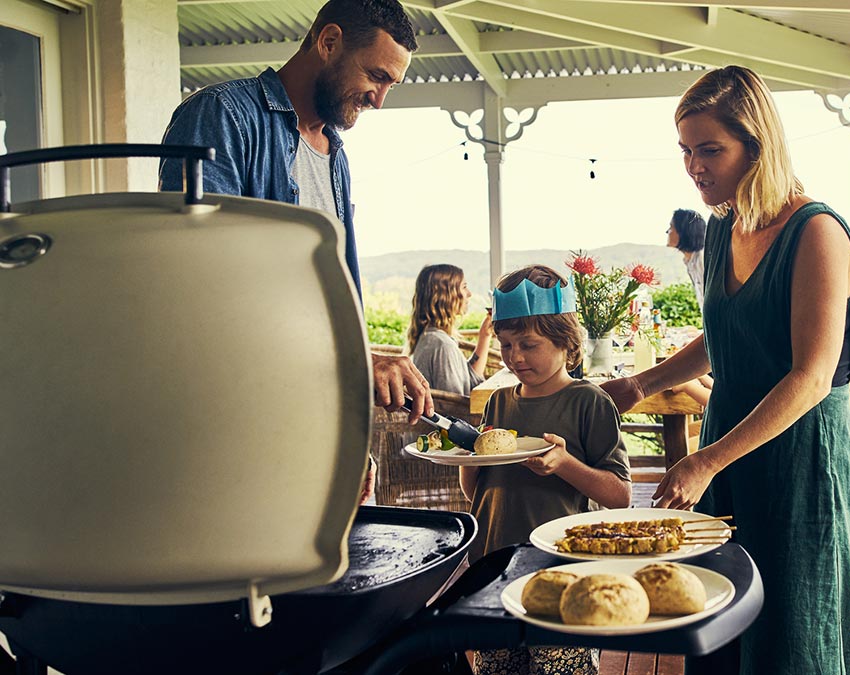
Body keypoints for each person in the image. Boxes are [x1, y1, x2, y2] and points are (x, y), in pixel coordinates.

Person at [601, 65, 850, 675]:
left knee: (794, 640)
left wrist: (704, 458)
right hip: (727, 453)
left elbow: (813, 375)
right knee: (718, 631)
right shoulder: (724, 226)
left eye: (710, 149)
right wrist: (641, 384)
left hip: (798, 463)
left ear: (758, 144)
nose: (695, 165)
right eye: (686, 151)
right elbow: (725, 335)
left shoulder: (816, 232)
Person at [157, 0, 436, 424]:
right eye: (376, 76)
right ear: (328, 42)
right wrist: (359, 362)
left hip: (314, 413)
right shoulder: (222, 116)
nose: (379, 100)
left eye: (390, 85)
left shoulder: (335, 157)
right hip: (236, 414)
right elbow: (201, 282)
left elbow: (334, 299)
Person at [461, 264, 632, 675]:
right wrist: (467, 457)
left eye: (528, 344)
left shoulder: (588, 402)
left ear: (565, 341)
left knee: (560, 667)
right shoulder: (498, 403)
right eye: (504, 345)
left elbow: (619, 496)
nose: (514, 357)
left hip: (560, 571)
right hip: (493, 565)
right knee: (496, 667)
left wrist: (565, 464)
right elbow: (475, 491)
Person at [407, 264, 494, 396]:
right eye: (464, 287)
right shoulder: (442, 345)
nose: (469, 294)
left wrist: (484, 336)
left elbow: (469, 381)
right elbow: (454, 407)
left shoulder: (433, 338)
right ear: (446, 295)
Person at [667, 207, 708, 308]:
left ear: (683, 231)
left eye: (671, 227)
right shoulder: (690, 261)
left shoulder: (703, 260)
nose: (667, 231)